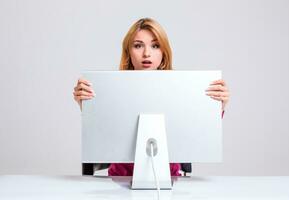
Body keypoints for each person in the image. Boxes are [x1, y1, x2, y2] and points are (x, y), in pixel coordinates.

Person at [73, 18, 230, 176]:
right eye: (138, 45)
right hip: (119, 180)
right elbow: (103, 136)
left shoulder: (181, 91)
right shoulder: (110, 91)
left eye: (155, 46)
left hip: (170, 181)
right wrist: (87, 107)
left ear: (163, 52)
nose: (147, 53)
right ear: (129, 52)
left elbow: (197, 133)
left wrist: (218, 107)